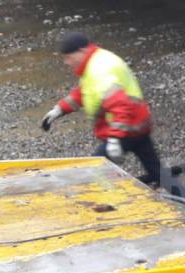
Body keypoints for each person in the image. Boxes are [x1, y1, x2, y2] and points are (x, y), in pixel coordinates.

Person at [41, 32, 172, 190]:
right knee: (158, 172)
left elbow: (119, 104)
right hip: (138, 124)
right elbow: (86, 92)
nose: (66, 62)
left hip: (126, 130)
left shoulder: (99, 70)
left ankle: (106, 205)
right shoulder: (95, 61)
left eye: (68, 57)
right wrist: (59, 109)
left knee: (95, 171)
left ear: (81, 51)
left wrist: (114, 140)